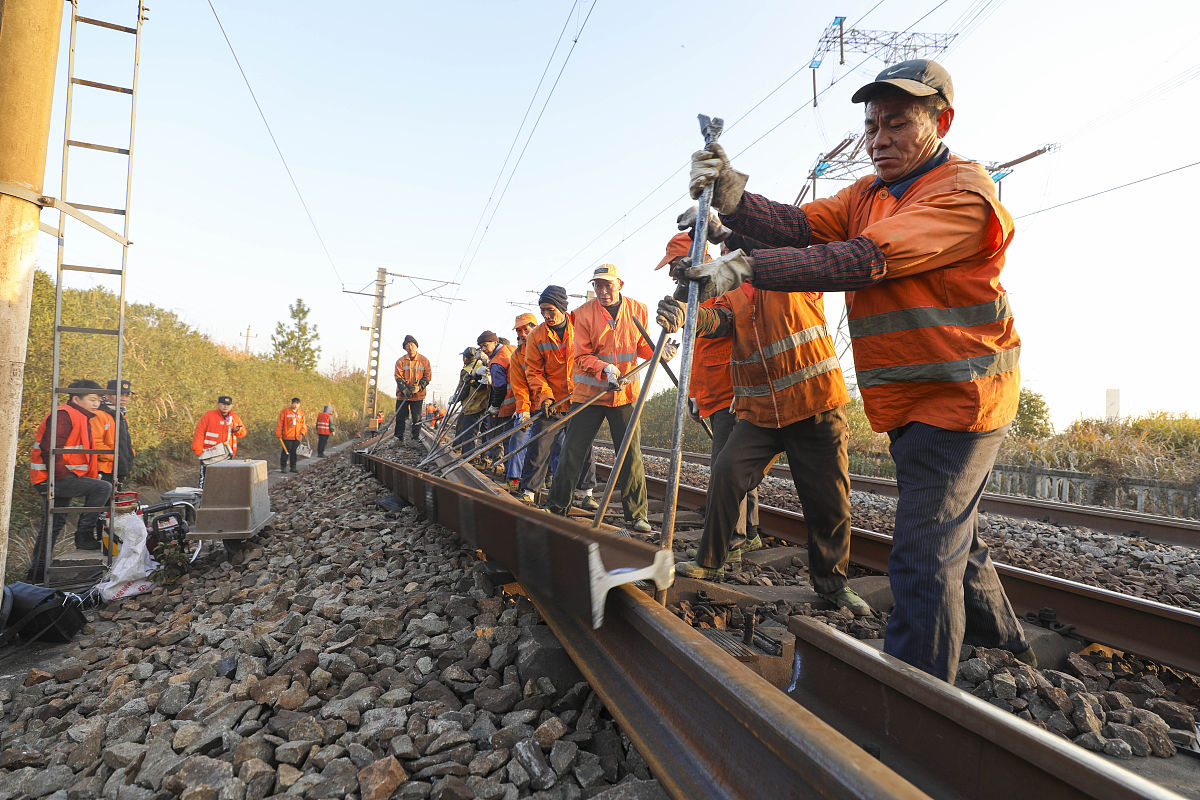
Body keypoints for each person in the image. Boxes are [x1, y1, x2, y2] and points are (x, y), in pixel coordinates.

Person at [678, 59, 1030, 680]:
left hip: (962, 398)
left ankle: (910, 706)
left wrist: (747, 268)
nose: (879, 138)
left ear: (941, 120)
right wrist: (731, 197)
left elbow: (865, 259)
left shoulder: (962, 194)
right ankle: (1006, 647)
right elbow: (797, 225)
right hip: (910, 399)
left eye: (897, 123)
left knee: (922, 555)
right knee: (952, 534)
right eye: (871, 124)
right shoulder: (868, 195)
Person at [656, 252, 871, 616]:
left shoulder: (797, 273)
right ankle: (711, 559)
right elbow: (716, 317)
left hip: (814, 403)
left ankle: (834, 585)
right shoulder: (735, 291)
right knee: (727, 471)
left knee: (829, 500)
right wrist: (687, 316)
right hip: (761, 412)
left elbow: (813, 262)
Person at [655, 234, 763, 562]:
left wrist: (742, 389)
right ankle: (751, 532)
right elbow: (698, 353)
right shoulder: (695, 294)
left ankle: (733, 538)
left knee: (726, 468)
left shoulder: (726, 284)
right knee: (738, 467)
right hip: (713, 394)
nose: (673, 272)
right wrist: (693, 395)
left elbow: (741, 330)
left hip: (732, 391)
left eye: (676, 264)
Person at [546, 265, 673, 533]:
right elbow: (581, 356)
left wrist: (659, 351)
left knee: (630, 454)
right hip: (590, 395)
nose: (603, 291)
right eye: (598, 286)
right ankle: (557, 506)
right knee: (573, 451)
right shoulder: (581, 314)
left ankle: (637, 516)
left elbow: (641, 346)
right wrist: (604, 368)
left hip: (625, 395)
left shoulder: (638, 309)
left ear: (620, 285)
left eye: (608, 285)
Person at [520, 286, 597, 505]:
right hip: (550, 403)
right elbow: (533, 371)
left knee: (583, 447)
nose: (546, 315)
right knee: (539, 446)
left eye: (550, 310)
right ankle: (529, 492)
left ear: (562, 308)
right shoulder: (536, 335)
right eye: (542, 310)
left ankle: (587, 495)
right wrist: (545, 396)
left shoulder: (581, 327)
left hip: (579, 399)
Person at [28, 380, 114, 570]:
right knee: (103, 488)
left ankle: (38, 570)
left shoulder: (79, 417)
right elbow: (49, 447)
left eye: (99, 400)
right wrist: (62, 476)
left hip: (58, 477)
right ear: (76, 398)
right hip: (52, 478)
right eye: (92, 399)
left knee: (54, 522)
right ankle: (83, 535)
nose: (96, 403)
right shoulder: (65, 415)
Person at [505, 313, 538, 487]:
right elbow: (519, 386)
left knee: (556, 443)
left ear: (535, 327)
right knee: (519, 436)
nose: (522, 333)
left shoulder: (546, 347)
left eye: (526, 329)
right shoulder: (517, 356)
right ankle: (515, 478)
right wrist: (523, 411)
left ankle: (553, 481)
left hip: (552, 403)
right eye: (519, 330)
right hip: (529, 404)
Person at [192, 395, 247, 488]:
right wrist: (197, 449)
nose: (225, 406)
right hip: (209, 453)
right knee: (205, 479)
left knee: (224, 479)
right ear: (218, 404)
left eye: (228, 405)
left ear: (231, 406)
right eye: (223, 404)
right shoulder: (209, 415)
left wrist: (237, 430)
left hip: (226, 454)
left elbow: (243, 433)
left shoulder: (234, 418)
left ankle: (221, 499)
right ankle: (203, 499)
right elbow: (199, 432)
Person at [93, 379, 135, 487]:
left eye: (127, 395)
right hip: (105, 470)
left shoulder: (121, 415)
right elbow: (95, 443)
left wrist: (129, 456)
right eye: (120, 395)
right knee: (103, 502)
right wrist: (116, 456)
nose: (124, 399)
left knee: (113, 502)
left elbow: (125, 443)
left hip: (118, 468)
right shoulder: (99, 414)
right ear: (107, 396)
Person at [394, 334, 432, 442]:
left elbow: (427, 377)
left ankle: (415, 438)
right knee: (400, 418)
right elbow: (398, 376)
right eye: (407, 345)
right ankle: (399, 438)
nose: (410, 347)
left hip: (418, 396)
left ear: (416, 346)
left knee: (417, 418)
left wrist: (419, 387)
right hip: (402, 396)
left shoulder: (424, 360)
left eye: (412, 345)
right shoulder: (400, 361)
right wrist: (404, 389)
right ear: (405, 347)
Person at [276, 397, 307, 473]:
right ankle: (283, 467)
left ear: (299, 404)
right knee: (286, 452)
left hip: (297, 436)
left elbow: (303, 425)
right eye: (294, 403)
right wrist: (278, 433)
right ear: (291, 403)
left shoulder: (301, 413)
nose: (296, 405)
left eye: (297, 403)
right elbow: (280, 423)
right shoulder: (285, 412)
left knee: (294, 452)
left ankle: (293, 467)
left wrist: (302, 433)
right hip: (287, 436)